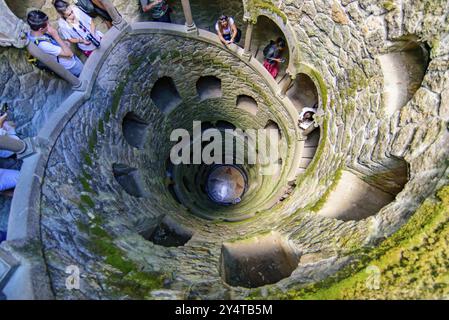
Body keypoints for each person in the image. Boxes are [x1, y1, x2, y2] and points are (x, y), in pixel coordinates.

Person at [27, 10, 84, 77]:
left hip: (68, 58)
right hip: (71, 65)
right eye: (47, 24)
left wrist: (62, 42)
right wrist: (56, 35)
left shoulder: (31, 33)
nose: (49, 25)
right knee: (84, 74)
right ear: (40, 29)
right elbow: (69, 54)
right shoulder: (43, 45)